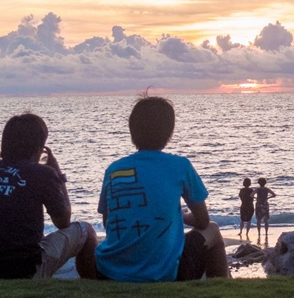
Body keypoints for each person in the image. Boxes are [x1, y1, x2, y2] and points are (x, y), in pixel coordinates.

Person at [94, 95, 229, 282]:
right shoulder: (180, 166)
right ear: (169, 132)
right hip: (163, 274)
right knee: (213, 229)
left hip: (110, 271)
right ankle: (222, 292)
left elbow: (109, 223)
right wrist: (182, 216)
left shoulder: (114, 169)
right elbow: (203, 221)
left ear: (132, 131)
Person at [0, 113, 97, 280]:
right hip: (20, 270)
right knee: (86, 230)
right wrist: (58, 175)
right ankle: (92, 287)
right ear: (39, 147)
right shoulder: (42, 173)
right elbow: (63, 221)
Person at [253, 177, 276, 242]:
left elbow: (251, 195)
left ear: (259, 183)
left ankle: (259, 233)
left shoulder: (257, 189)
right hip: (265, 204)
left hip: (259, 204)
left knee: (258, 219)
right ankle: (266, 233)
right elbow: (274, 195)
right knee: (266, 220)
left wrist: (256, 198)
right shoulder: (267, 189)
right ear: (265, 183)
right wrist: (268, 198)